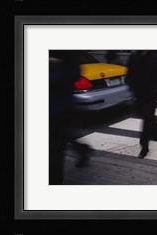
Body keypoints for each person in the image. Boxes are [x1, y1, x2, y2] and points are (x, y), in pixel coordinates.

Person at [49, 51, 91, 185]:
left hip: (60, 108)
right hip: (56, 107)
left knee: (55, 150)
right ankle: (82, 150)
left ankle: (55, 183)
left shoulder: (66, 56)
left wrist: (55, 66)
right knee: (62, 138)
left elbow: (73, 74)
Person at [125, 50, 157, 158]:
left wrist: (153, 91)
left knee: (146, 118)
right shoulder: (133, 56)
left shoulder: (156, 58)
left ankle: (144, 147)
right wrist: (132, 87)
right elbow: (129, 74)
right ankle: (156, 132)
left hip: (150, 95)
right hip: (138, 94)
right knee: (147, 116)